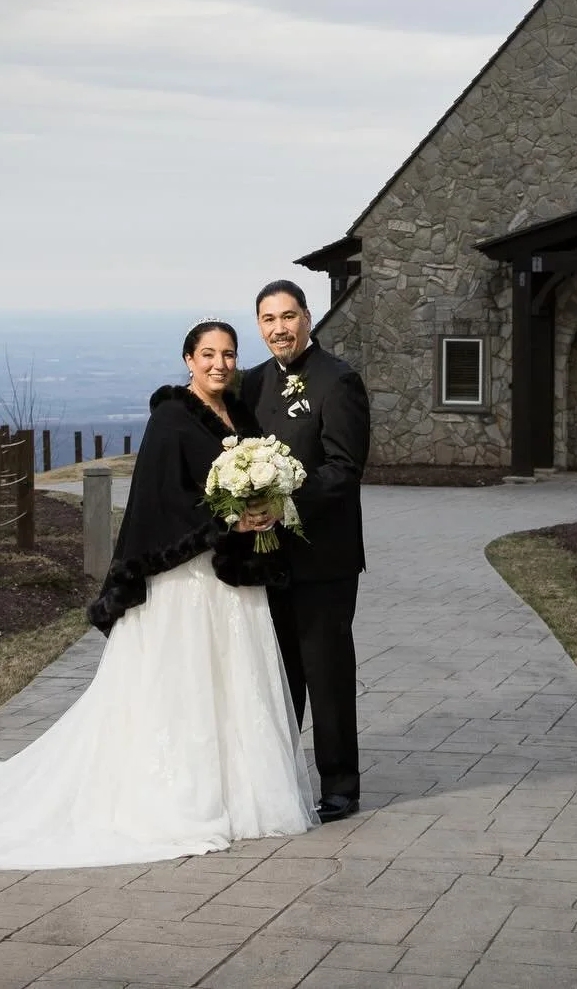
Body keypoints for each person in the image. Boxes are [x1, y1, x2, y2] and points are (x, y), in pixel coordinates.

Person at [0, 321, 316, 870]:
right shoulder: (170, 417)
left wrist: (262, 509)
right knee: (183, 683)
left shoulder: (241, 416)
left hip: (231, 579)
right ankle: (183, 797)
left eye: (228, 354)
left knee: (233, 680)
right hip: (185, 580)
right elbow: (161, 501)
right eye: (208, 354)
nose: (219, 364)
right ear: (188, 359)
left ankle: (240, 796)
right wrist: (227, 521)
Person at [240, 279, 369, 823]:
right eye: (269, 320)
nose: (279, 329)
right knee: (276, 673)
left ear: (308, 318)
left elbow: (344, 467)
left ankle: (340, 785)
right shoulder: (251, 383)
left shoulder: (339, 380)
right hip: (264, 557)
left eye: (288, 317)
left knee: (326, 671)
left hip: (323, 556)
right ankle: (281, 779)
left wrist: (286, 504)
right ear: (259, 326)